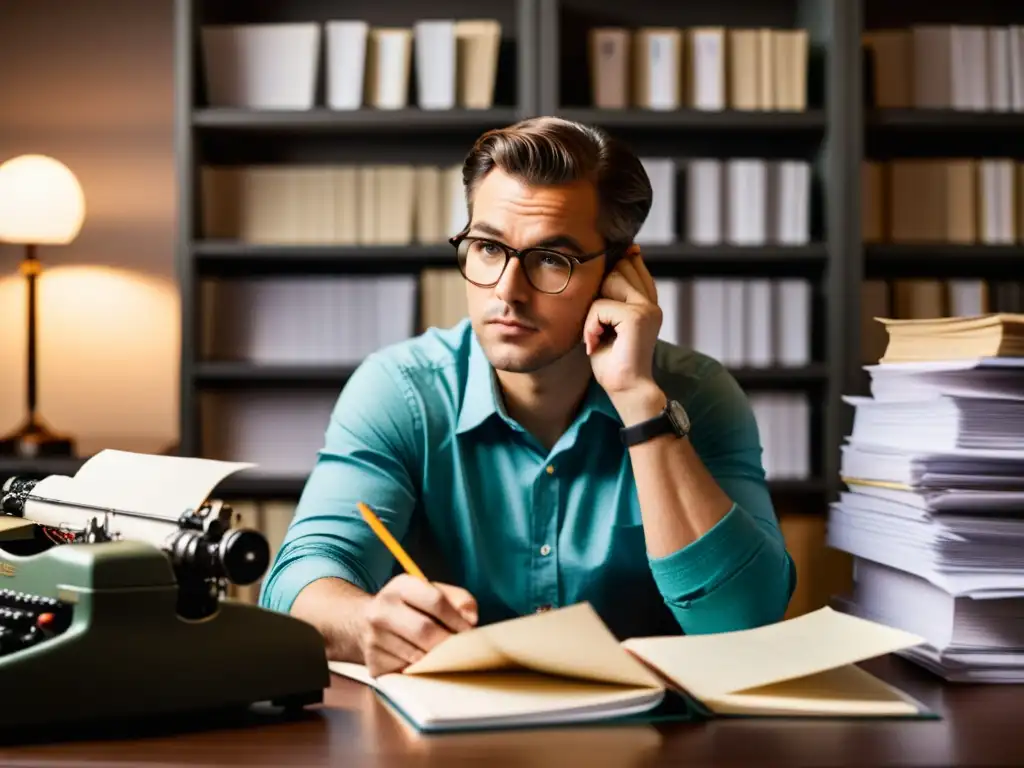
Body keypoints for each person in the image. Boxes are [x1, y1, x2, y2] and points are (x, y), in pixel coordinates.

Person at [259, 116, 796, 676]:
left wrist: (639, 402)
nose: (507, 292)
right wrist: (367, 619)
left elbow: (747, 623)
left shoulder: (696, 395)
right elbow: (298, 581)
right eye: (487, 248)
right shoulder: (400, 390)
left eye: (550, 259)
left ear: (618, 274)